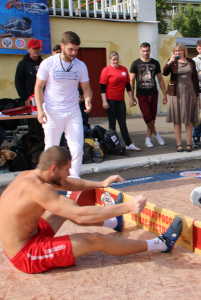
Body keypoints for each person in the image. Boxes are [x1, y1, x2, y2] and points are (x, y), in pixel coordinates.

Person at [0, 146, 182, 274]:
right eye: (66, 170)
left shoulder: (30, 175)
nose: (68, 174)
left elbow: (65, 182)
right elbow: (80, 215)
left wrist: (101, 184)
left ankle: (114, 222)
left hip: (29, 235)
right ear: (54, 168)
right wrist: (126, 207)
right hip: (26, 254)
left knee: (61, 206)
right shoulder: (40, 190)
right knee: (93, 239)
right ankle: (161, 244)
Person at [35, 31, 92, 179]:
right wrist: (40, 110)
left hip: (73, 111)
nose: (73, 53)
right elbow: (38, 87)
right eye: (70, 49)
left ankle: (73, 181)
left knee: (77, 149)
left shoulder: (81, 66)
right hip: (52, 112)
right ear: (62, 46)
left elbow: (86, 88)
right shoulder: (48, 63)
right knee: (51, 149)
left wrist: (87, 100)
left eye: (76, 50)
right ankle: (48, 183)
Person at [162, 42, 200, 153]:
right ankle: (179, 144)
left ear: (184, 51)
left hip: (189, 93)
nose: (178, 53)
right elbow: (164, 73)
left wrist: (197, 95)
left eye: (179, 50)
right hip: (176, 93)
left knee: (189, 119)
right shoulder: (172, 62)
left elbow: (195, 79)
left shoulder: (191, 62)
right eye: (175, 51)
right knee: (177, 119)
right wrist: (169, 62)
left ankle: (189, 143)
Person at [100, 51, 140, 151]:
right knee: (112, 123)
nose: (115, 61)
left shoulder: (124, 69)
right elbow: (102, 87)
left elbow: (128, 86)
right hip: (110, 100)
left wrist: (131, 98)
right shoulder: (106, 70)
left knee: (122, 123)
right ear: (110, 60)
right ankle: (113, 145)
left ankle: (128, 144)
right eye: (113, 60)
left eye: (117, 59)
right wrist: (104, 101)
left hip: (120, 100)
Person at [130, 42, 167, 148]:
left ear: (150, 50)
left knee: (152, 117)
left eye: (147, 51)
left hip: (153, 93)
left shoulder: (155, 63)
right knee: (147, 116)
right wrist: (131, 96)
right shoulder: (135, 63)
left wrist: (164, 94)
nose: (146, 53)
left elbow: (160, 79)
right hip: (141, 94)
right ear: (140, 51)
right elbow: (131, 81)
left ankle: (148, 139)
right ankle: (156, 134)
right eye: (143, 51)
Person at [15, 38, 44, 137]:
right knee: (33, 126)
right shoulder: (23, 64)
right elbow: (18, 82)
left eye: (38, 48)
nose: (36, 51)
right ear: (28, 49)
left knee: (45, 124)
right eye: (34, 48)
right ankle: (34, 147)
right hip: (30, 100)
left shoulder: (44, 63)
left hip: (44, 99)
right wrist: (24, 98)